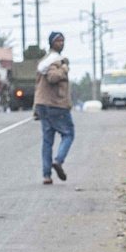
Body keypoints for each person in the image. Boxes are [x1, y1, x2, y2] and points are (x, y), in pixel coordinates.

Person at [34, 30, 73, 184]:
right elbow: (52, 77)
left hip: (43, 104)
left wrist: (36, 108)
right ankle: (58, 160)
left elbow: (38, 86)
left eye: (62, 41)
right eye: (58, 41)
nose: (61, 43)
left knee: (47, 140)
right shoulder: (56, 61)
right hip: (56, 105)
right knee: (69, 134)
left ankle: (46, 175)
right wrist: (64, 69)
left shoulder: (44, 61)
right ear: (51, 43)